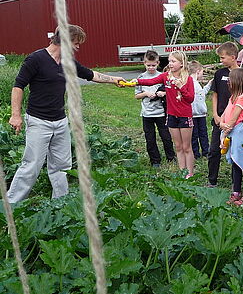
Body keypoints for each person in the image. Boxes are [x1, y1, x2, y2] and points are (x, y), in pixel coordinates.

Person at [7, 25, 125, 203]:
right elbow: (18, 86)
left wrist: (114, 80)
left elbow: (90, 74)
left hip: (60, 121)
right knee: (31, 166)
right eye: (76, 43)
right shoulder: (35, 59)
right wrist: (15, 115)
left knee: (61, 167)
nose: (78, 47)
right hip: (38, 121)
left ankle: (60, 204)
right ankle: (10, 205)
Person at [135, 51, 195, 178]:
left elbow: (190, 99)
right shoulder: (165, 77)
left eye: (173, 61)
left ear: (181, 63)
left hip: (184, 116)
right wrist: (137, 82)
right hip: (171, 115)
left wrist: (180, 86)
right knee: (178, 146)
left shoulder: (188, 79)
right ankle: (182, 171)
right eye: (169, 61)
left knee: (186, 147)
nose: (170, 64)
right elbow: (151, 81)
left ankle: (190, 173)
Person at [135, 50, 176, 167]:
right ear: (144, 63)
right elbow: (136, 95)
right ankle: (155, 160)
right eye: (149, 65)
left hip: (161, 112)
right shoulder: (141, 77)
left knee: (166, 136)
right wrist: (146, 94)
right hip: (147, 113)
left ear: (158, 63)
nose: (151, 67)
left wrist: (163, 93)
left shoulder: (162, 76)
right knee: (150, 138)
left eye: (153, 65)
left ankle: (171, 157)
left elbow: (171, 91)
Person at [220, 68, 243, 205]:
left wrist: (225, 129)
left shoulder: (242, 98)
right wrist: (223, 125)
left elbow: (234, 118)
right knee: (235, 162)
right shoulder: (232, 97)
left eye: (230, 79)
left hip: (238, 133)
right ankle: (236, 191)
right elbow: (225, 115)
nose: (228, 81)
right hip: (231, 132)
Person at [207, 42, 239, 187]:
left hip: (237, 120)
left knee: (234, 152)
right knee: (214, 150)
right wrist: (215, 114)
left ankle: (236, 182)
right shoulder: (220, 73)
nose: (221, 61)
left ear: (233, 57)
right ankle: (212, 181)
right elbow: (215, 94)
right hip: (220, 119)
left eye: (223, 58)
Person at [188, 61, 211, 159]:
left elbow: (202, 94)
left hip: (201, 114)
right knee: (196, 135)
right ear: (198, 72)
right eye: (202, 72)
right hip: (194, 114)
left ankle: (205, 151)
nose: (202, 74)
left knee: (202, 133)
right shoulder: (191, 83)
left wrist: (209, 85)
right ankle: (197, 153)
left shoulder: (196, 83)